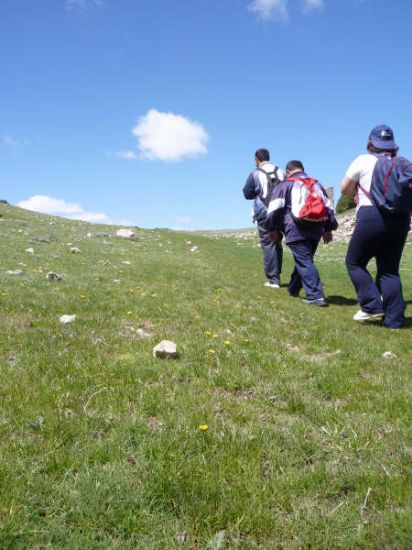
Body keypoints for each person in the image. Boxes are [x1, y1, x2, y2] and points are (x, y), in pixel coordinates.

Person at [340, 124, 411, 328]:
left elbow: (345, 189)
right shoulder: (400, 163)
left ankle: (371, 305)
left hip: (372, 215)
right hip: (401, 218)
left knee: (355, 262)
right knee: (389, 270)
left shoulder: (363, 160)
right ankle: (394, 320)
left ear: (371, 143)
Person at [265, 160, 337, 306]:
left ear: (288, 171)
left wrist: (272, 229)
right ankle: (293, 289)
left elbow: (274, 209)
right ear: (303, 169)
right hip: (316, 229)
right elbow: (328, 209)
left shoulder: (285, 185)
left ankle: (316, 296)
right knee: (305, 259)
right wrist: (329, 229)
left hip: (295, 229)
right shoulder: (317, 185)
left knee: (304, 261)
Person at [243, 148, 284, 288]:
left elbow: (246, 193)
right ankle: (277, 275)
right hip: (280, 212)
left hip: (264, 213)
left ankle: (273, 279)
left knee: (268, 244)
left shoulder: (255, 173)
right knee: (277, 243)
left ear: (257, 159)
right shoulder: (280, 171)